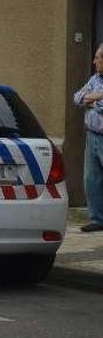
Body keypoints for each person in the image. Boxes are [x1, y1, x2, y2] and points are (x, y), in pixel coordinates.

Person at [74, 43, 103, 232]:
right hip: (92, 135)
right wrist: (98, 96)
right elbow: (77, 98)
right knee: (92, 179)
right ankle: (97, 219)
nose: (94, 61)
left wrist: (92, 101)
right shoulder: (95, 79)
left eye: (97, 58)